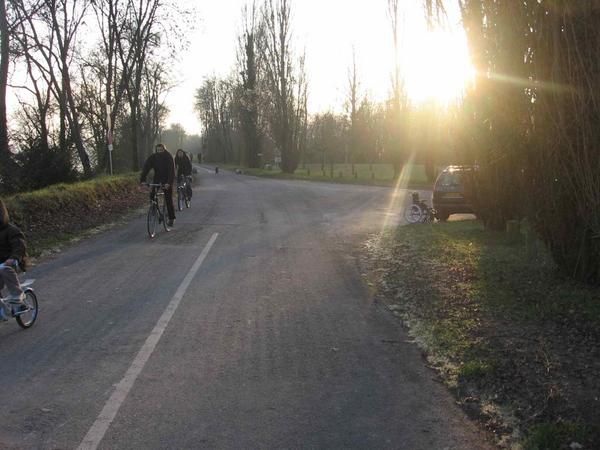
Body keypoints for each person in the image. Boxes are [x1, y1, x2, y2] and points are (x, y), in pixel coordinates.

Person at [140, 143, 176, 227]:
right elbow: (146, 167)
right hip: (157, 178)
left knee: (168, 199)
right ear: (156, 150)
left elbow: (171, 171)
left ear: (164, 149)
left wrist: (169, 183)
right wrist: (143, 180)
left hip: (167, 179)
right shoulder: (153, 157)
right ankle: (155, 209)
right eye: (158, 150)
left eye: (161, 150)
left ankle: (171, 218)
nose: (159, 151)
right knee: (152, 195)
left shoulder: (168, 157)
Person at [0, 199, 27, 307]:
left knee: (3, 268)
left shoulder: (10, 229)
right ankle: (3, 310)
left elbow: (19, 246)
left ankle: (17, 295)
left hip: (11, 263)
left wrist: (14, 258)